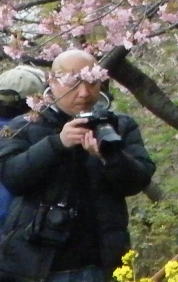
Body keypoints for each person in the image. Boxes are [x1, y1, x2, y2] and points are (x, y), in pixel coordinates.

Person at [0, 49, 155, 282]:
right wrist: (57, 144)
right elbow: (13, 177)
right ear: (51, 82)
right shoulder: (25, 126)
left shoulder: (120, 125)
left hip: (101, 261)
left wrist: (110, 157)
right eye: (73, 83)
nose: (84, 93)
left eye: (92, 82)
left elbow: (139, 179)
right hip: (37, 264)